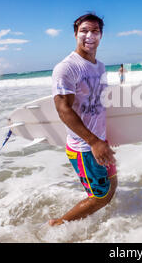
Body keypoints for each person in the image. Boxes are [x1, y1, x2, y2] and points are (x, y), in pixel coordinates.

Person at [49, 13, 117, 226]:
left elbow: (98, 103)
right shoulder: (66, 68)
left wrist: (104, 138)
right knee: (101, 196)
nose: (89, 35)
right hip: (85, 146)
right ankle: (57, 226)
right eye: (84, 31)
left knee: (112, 184)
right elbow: (63, 109)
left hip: (99, 141)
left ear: (101, 35)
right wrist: (94, 142)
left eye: (95, 31)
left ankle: (99, 220)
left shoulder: (100, 66)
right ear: (75, 34)